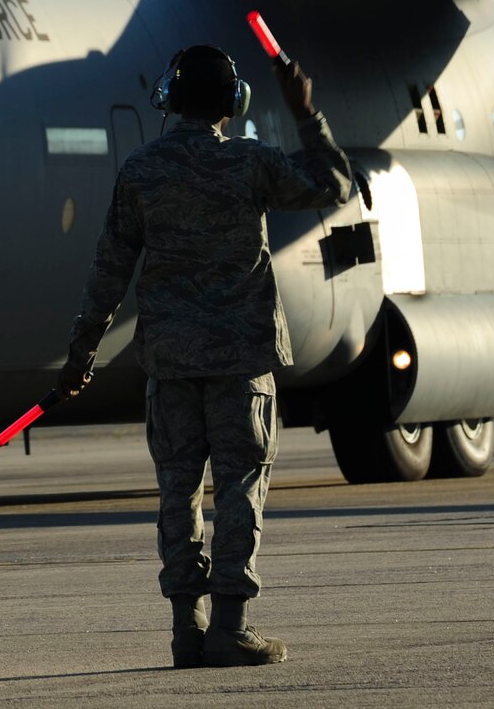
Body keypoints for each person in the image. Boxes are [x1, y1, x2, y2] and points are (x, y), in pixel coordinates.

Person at [53, 42, 352, 668]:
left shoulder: (140, 171)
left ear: (170, 100)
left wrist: (81, 355)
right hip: (240, 359)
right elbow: (333, 185)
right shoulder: (249, 164)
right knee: (240, 484)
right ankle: (231, 626)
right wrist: (306, 113)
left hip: (169, 362)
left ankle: (185, 629)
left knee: (177, 489)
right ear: (231, 103)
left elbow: (108, 271)